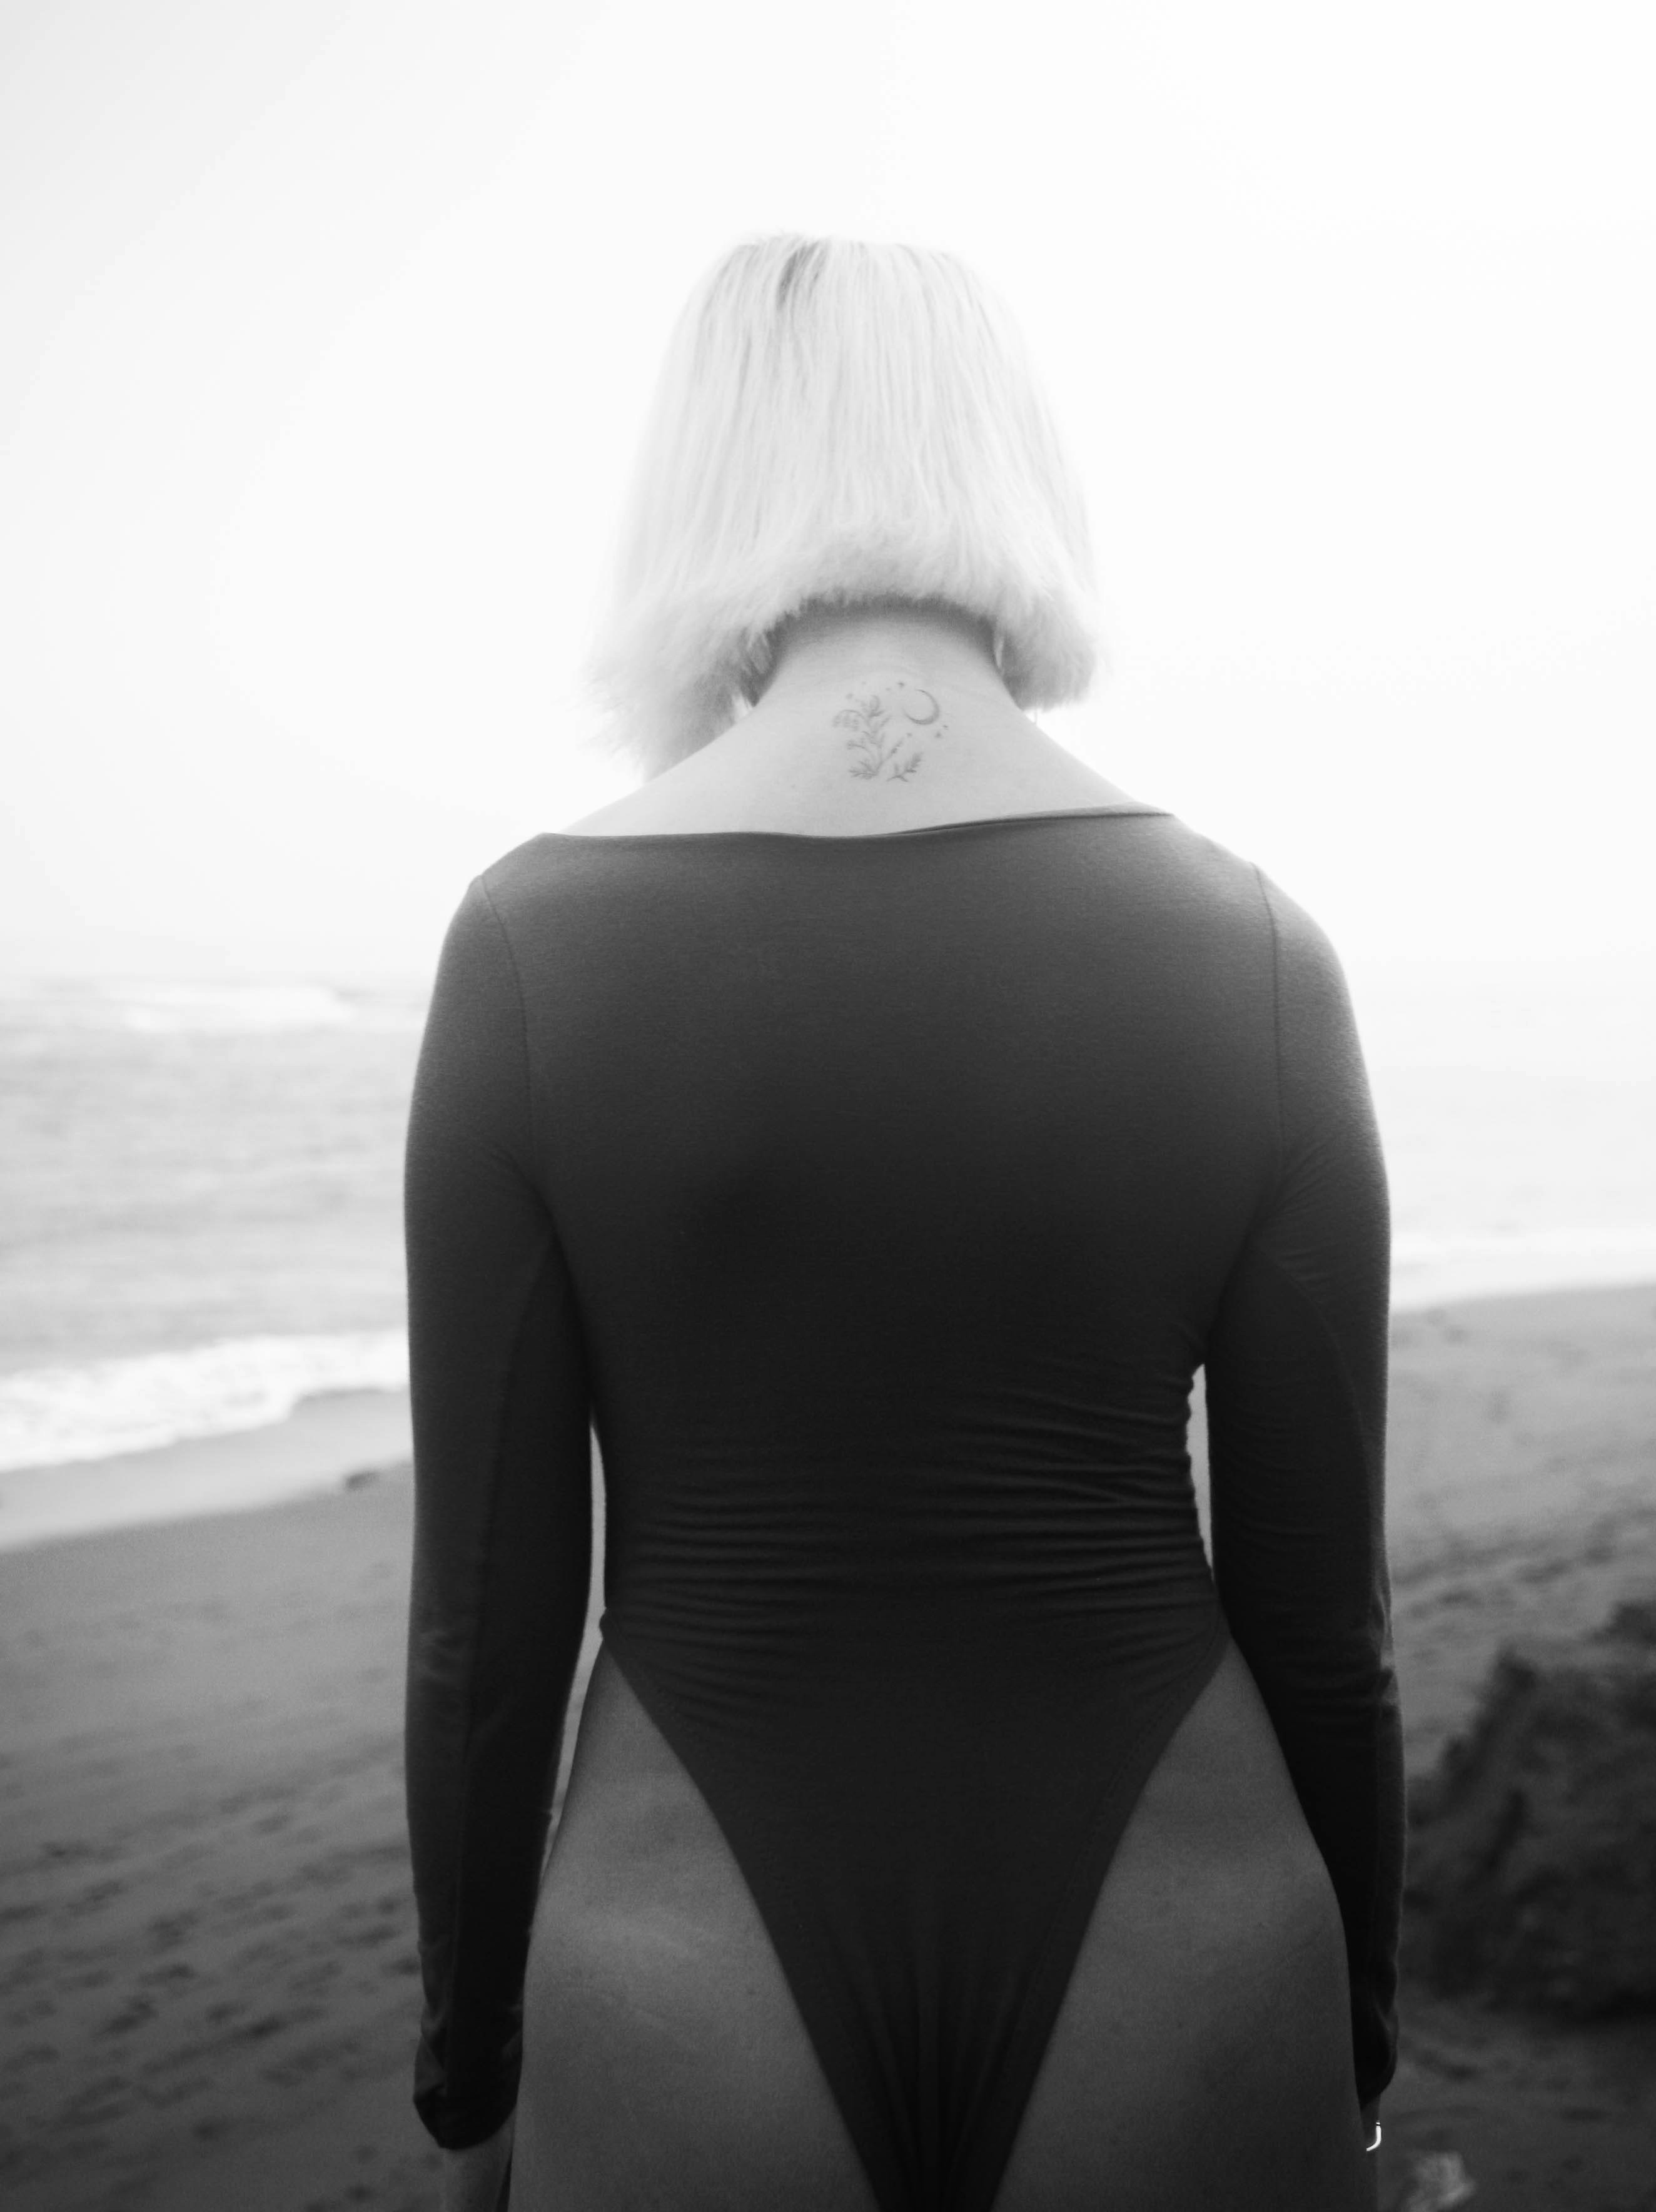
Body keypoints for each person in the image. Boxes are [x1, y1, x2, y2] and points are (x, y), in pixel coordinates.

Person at [403, 236, 1403, 2212]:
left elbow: (483, 1633)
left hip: (686, 1956)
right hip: (1186, 1936)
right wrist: (1351, 2034)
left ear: (695, 482)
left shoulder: (529, 947)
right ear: (1017, 468)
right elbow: (1327, 1621)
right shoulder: (1255, 950)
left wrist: (471, 2076)